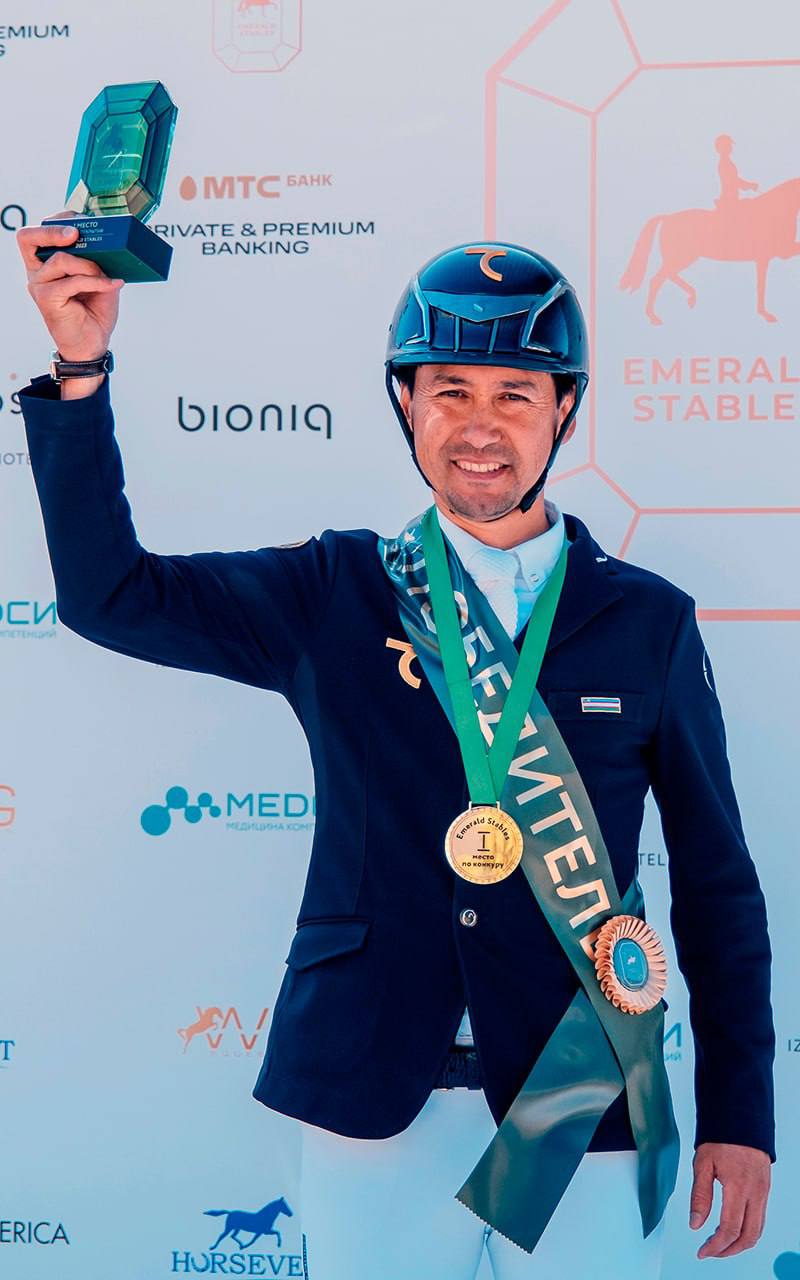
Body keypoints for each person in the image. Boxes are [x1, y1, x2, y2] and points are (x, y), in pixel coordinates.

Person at [16, 224, 775, 1279]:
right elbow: (111, 596)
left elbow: (717, 881)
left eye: (515, 394)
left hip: (578, 1092)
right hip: (372, 1100)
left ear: (563, 409)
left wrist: (740, 1111)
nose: (480, 426)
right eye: (448, 391)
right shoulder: (335, 590)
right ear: (405, 403)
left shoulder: (647, 621)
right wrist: (81, 369)